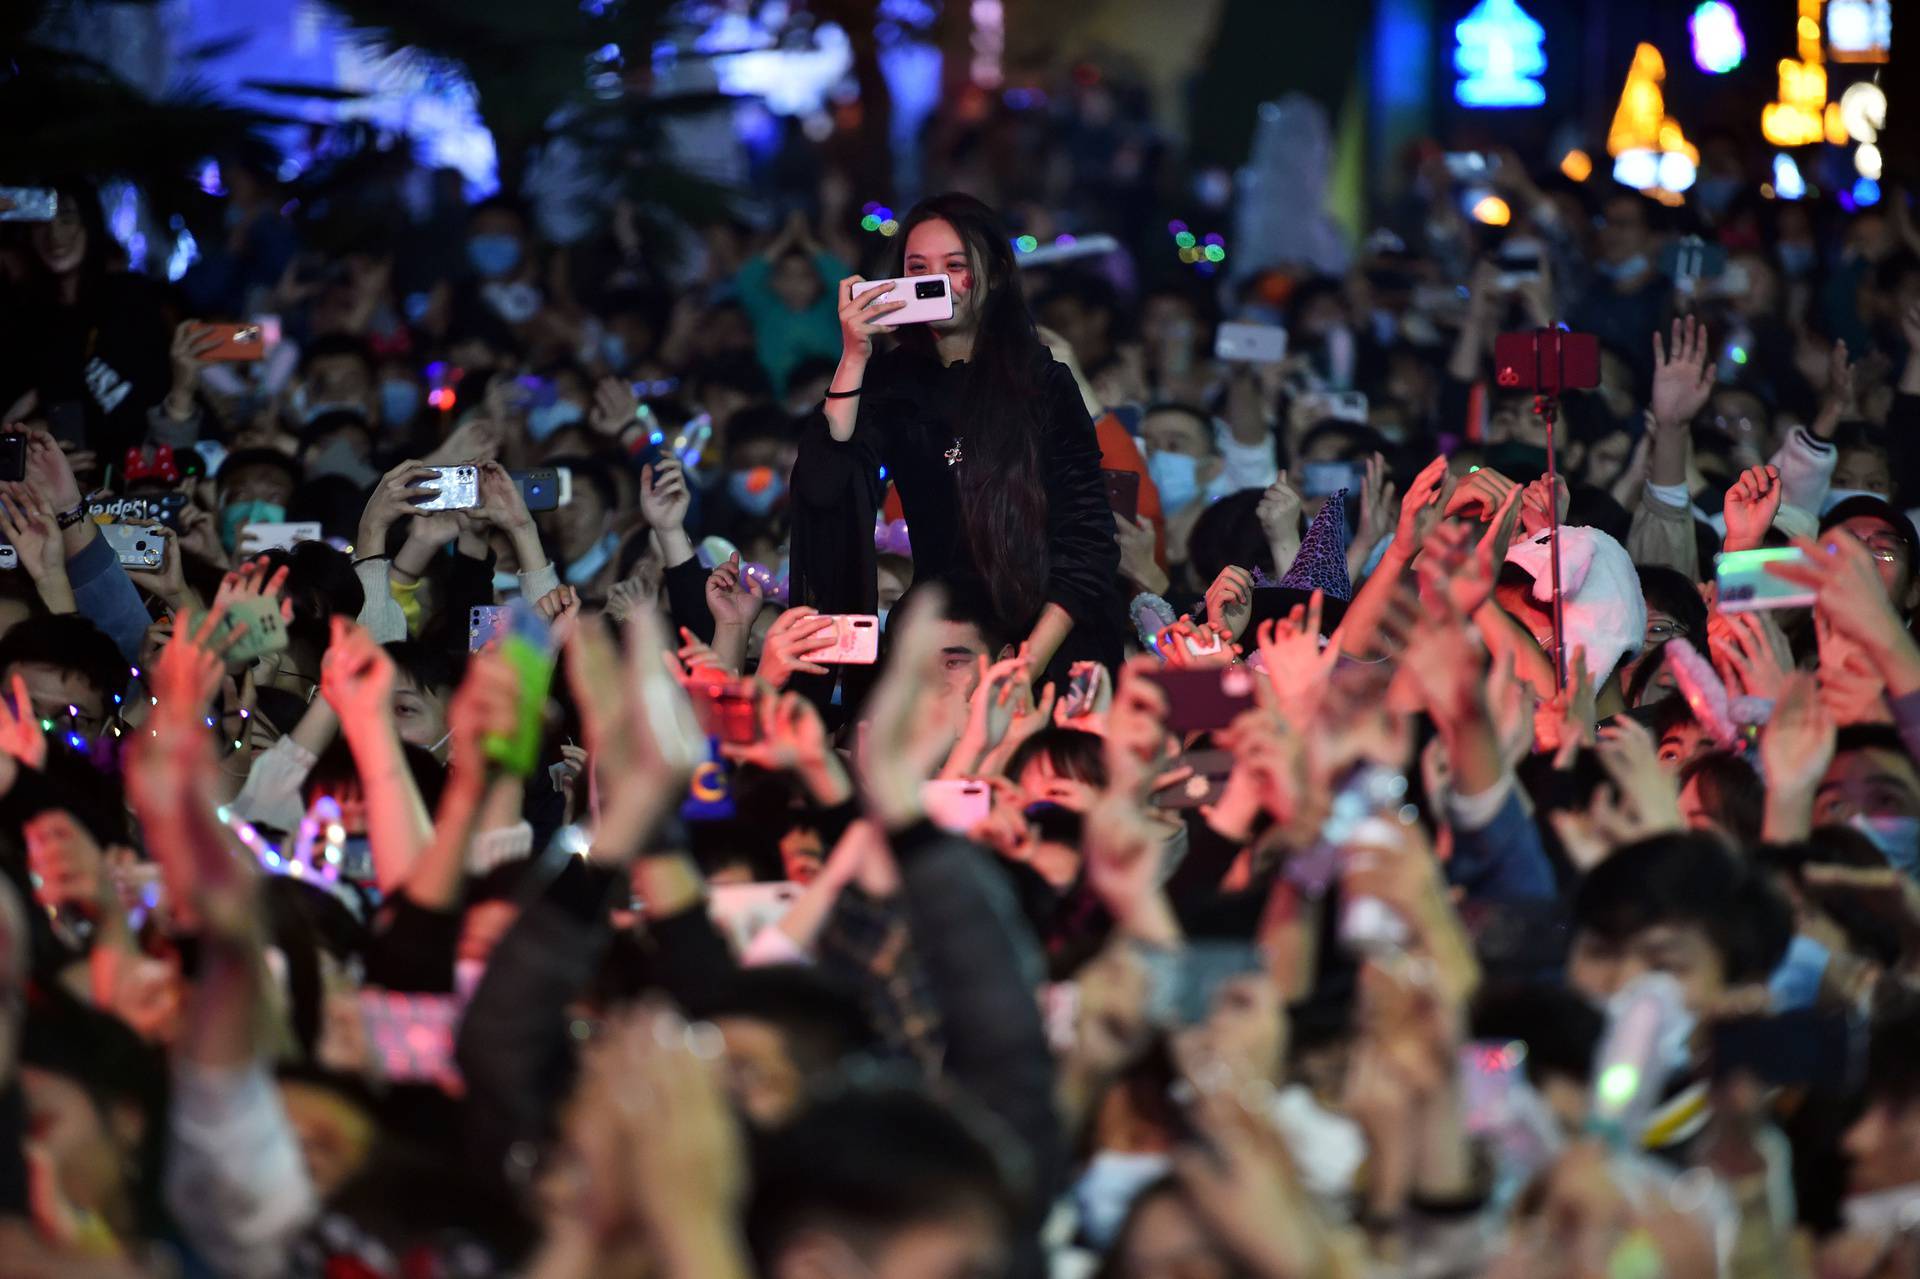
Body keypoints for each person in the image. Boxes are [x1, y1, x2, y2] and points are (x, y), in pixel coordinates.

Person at [792, 192, 1122, 682]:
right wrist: (855, 355)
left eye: (955, 265)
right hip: (939, 640)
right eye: (918, 266)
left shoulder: (1041, 381)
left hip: (1050, 641)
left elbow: (1088, 541)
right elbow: (823, 480)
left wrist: (1026, 664)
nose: (936, 281)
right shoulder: (890, 381)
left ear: (993, 275)